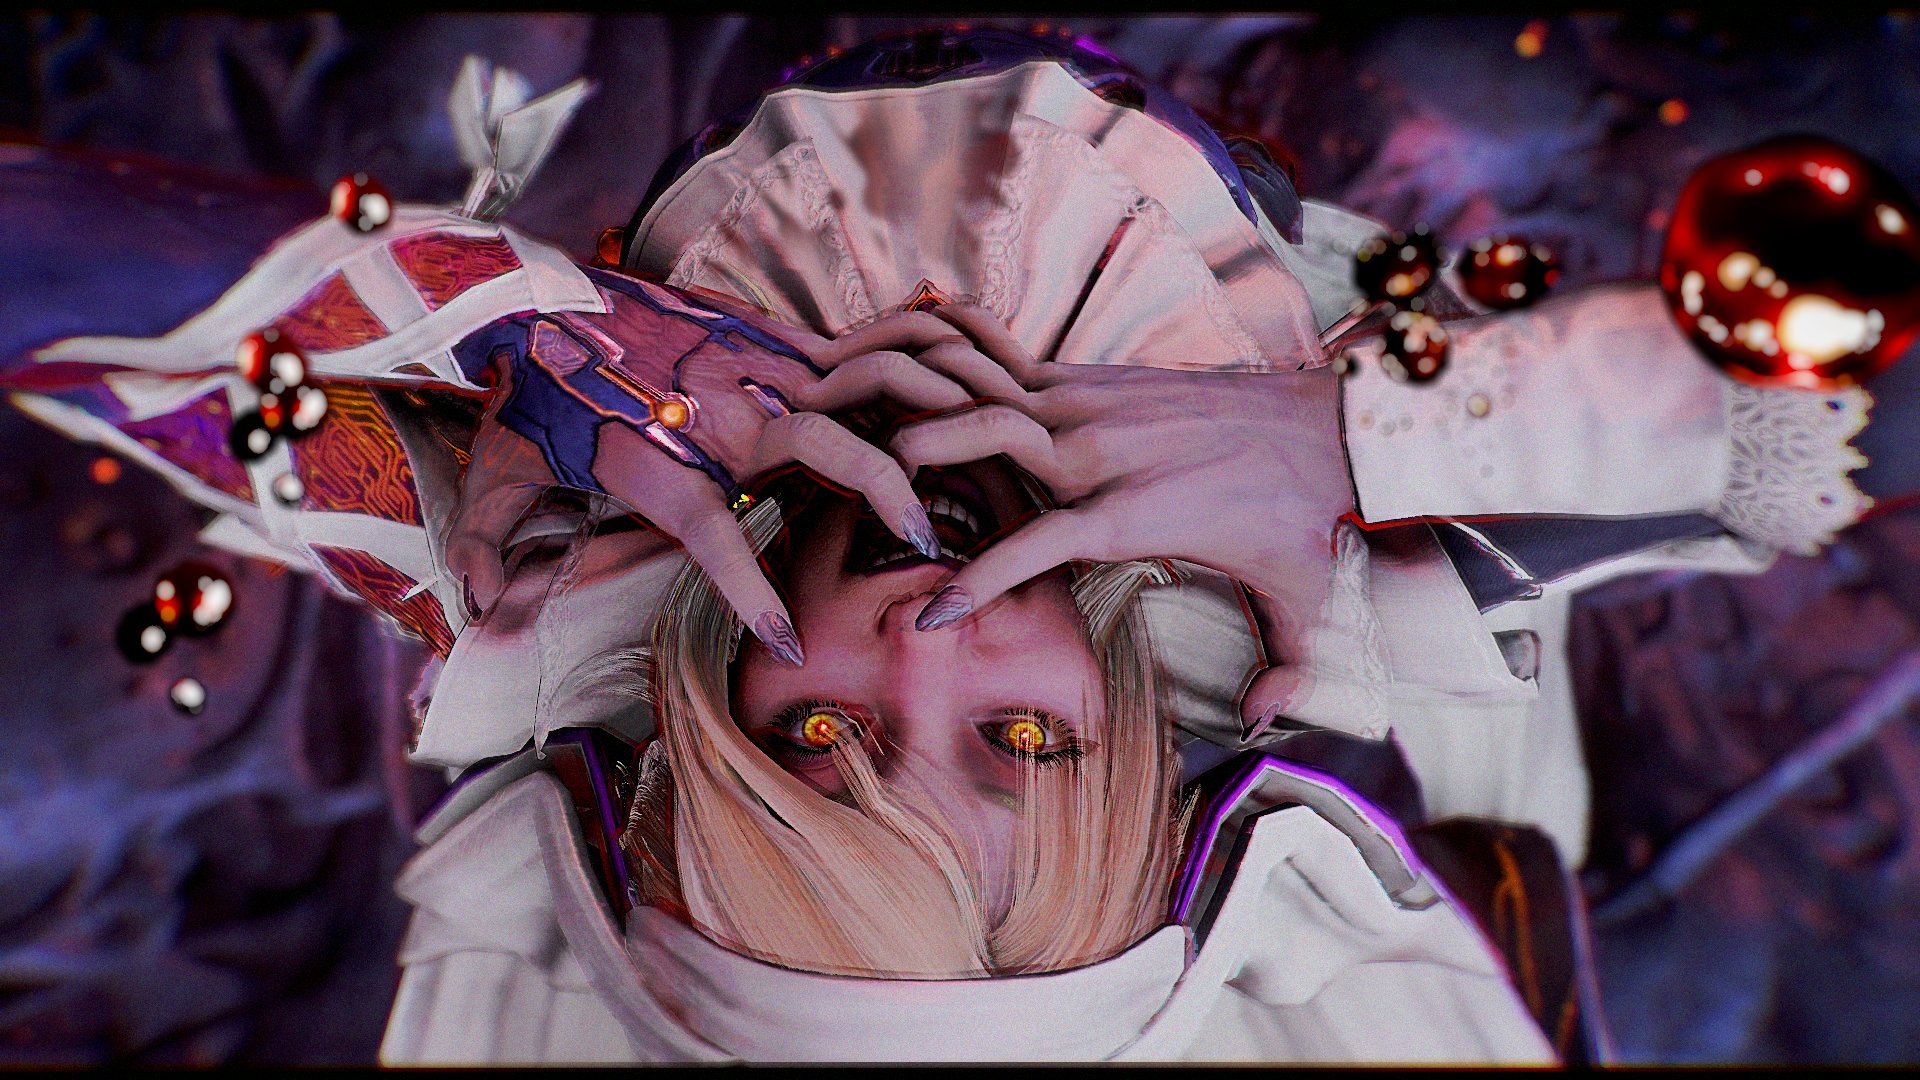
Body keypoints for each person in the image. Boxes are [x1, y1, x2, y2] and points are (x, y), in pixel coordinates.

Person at [8, 28, 1888, 1064]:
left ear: (690, 750)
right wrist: (1363, 436)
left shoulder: (542, 575)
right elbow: (1844, 410)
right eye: (1023, 738)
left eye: (817, 740)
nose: (917, 646)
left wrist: (515, 319)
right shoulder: (1318, 601)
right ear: (1150, 759)